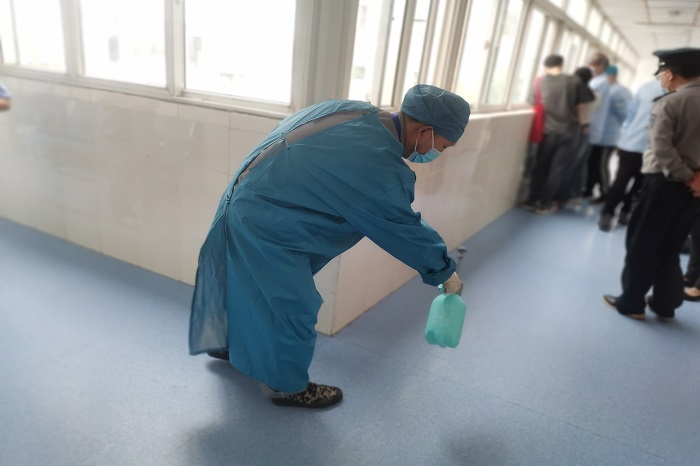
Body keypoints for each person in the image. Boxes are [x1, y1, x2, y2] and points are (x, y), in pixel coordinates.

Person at [189, 84, 470, 408]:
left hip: (245, 199)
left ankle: (229, 343)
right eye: (443, 146)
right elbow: (402, 227)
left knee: (248, 287)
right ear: (425, 131)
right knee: (293, 305)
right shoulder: (376, 161)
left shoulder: (354, 112)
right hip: (267, 225)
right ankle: (287, 387)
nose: (438, 153)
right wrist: (444, 272)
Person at [603, 47, 700, 320]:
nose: (660, 79)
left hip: (664, 184)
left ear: (670, 74)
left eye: (662, 73)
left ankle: (632, 304)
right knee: (671, 248)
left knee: (642, 245)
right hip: (695, 190)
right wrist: (696, 179)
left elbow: (661, 148)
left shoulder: (670, 102)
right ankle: (665, 305)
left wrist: (685, 175)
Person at [522, 54, 593, 214]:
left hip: (548, 132)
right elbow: (581, 107)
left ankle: (532, 199)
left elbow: (533, 103)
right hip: (569, 132)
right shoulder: (574, 80)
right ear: (561, 65)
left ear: (545, 66)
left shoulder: (540, 81)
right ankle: (544, 204)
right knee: (558, 169)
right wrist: (583, 125)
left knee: (540, 166)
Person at [598, 78, 665, 232]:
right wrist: (622, 140)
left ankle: (616, 213)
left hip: (640, 145)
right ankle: (614, 213)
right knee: (632, 183)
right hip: (640, 145)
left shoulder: (646, 87)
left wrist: (622, 140)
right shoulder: (653, 88)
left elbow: (629, 116)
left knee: (631, 182)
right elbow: (630, 116)